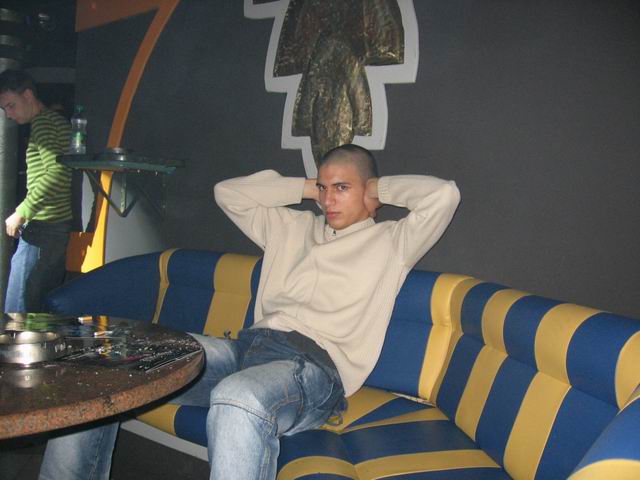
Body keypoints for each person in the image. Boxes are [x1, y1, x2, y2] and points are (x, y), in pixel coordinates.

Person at [38, 144, 460, 480]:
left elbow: (443, 196)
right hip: (247, 350)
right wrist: (307, 187)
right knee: (107, 360)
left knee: (238, 397)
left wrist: (377, 187)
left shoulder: (392, 243)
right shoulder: (290, 228)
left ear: (370, 195)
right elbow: (228, 193)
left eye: (342, 188)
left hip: (312, 369)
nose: (328, 199)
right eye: (324, 187)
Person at [0, 69, 73, 313]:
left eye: (11, 105)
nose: (9, 114)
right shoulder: (55, 121)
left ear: (28, 95)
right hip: (56, 229)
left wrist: (22, 212)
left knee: (16, 314)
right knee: (38, 314)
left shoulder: (43, 123)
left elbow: (56, 173)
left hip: (43, 230)